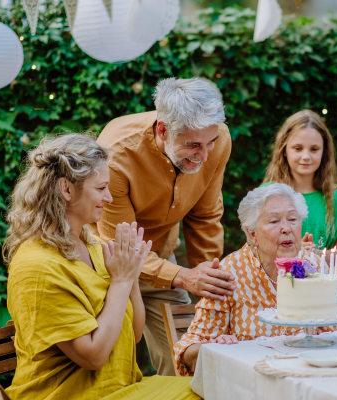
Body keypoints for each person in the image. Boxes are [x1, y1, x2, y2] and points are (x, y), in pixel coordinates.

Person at [3, 135, 195, 399]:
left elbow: (134, 333)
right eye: (101, 188)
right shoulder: (36, 267)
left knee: (210, 387)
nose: (109, 197)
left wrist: (131, 273)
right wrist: (121, 281)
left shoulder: (91, 244)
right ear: (67, 189)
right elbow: (93, 356)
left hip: (121, 390)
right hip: (66, 395)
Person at [94, 77, 236, 376]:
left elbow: (206, 217)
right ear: (163, 130)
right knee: (108, 366)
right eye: (193, 145)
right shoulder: (115, 154)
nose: (205, 155)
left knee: (188, 359)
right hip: (104, 266)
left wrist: (207, 284)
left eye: (210, 143)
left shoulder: (217, 139)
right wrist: (184, 277)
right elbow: (122, 246)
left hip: (162, 260)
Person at [174, 184, 337, 376]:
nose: (287, 228)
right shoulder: (229, 272)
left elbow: (333, 335)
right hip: (249, 381)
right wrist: (213, 348)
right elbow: (186, 352)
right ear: (252, 234)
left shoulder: (315, 266)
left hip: (307, 376)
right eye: (274, 221)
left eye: (293, 219)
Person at [262, 109, 337, 265]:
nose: (306, 156)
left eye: (314, 149)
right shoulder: (267, 196)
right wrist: (293, 251)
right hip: (277, 287)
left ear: (324, 152)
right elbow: (255, 248)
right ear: (284, 150)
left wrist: (316, 254)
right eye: (298, 148)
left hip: (320, 286)